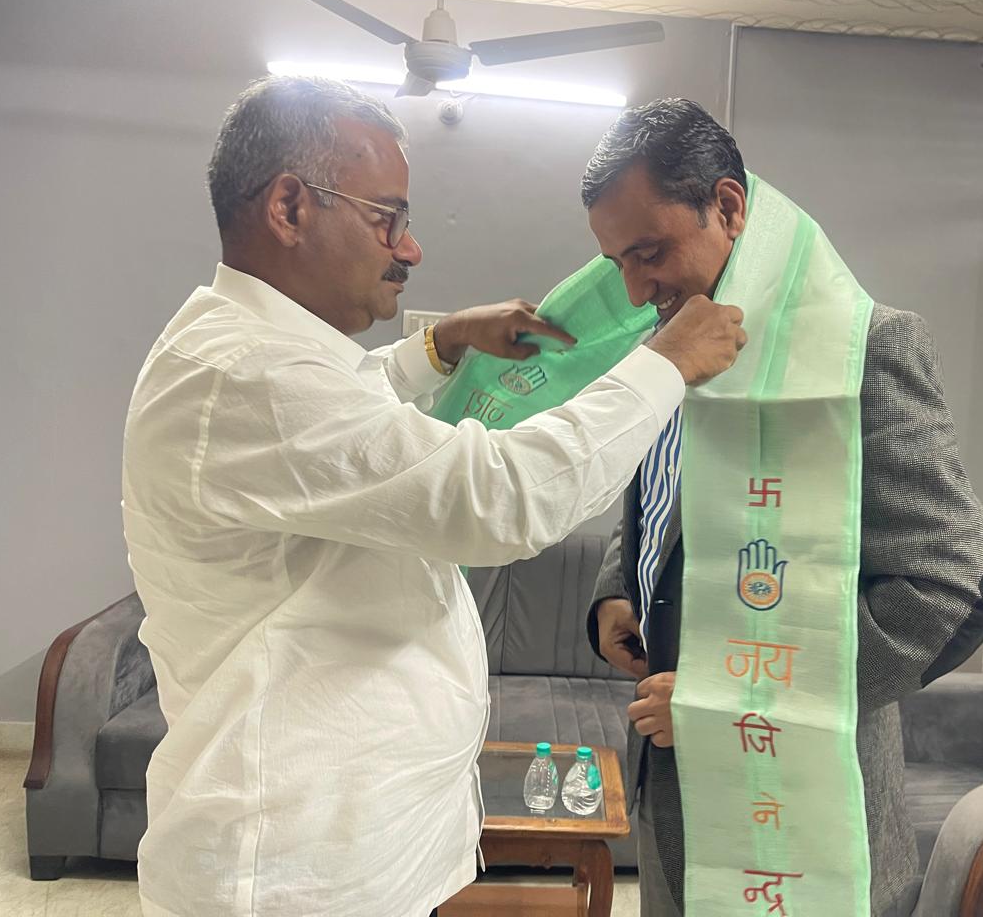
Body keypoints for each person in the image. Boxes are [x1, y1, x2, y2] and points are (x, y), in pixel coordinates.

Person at [121, 76, 746, 917]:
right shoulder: (245, 376)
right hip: (293, 870)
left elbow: (347, 420)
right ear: (289, 208)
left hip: (353, 848)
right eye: (388, 217)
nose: (410, 250)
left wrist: (441, 344)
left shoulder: (264, 356)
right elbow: (501, 497)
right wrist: (664, 365)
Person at [583, 98, 983, 917]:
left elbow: (948, 588)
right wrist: (615, 589)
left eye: (650, 253)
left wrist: (730, 701)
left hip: (803, 811)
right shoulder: (667, 348)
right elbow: (664, 501)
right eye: (617, 264)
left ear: (728, 207)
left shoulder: (863, 350)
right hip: (674, 800)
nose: (635, 290)